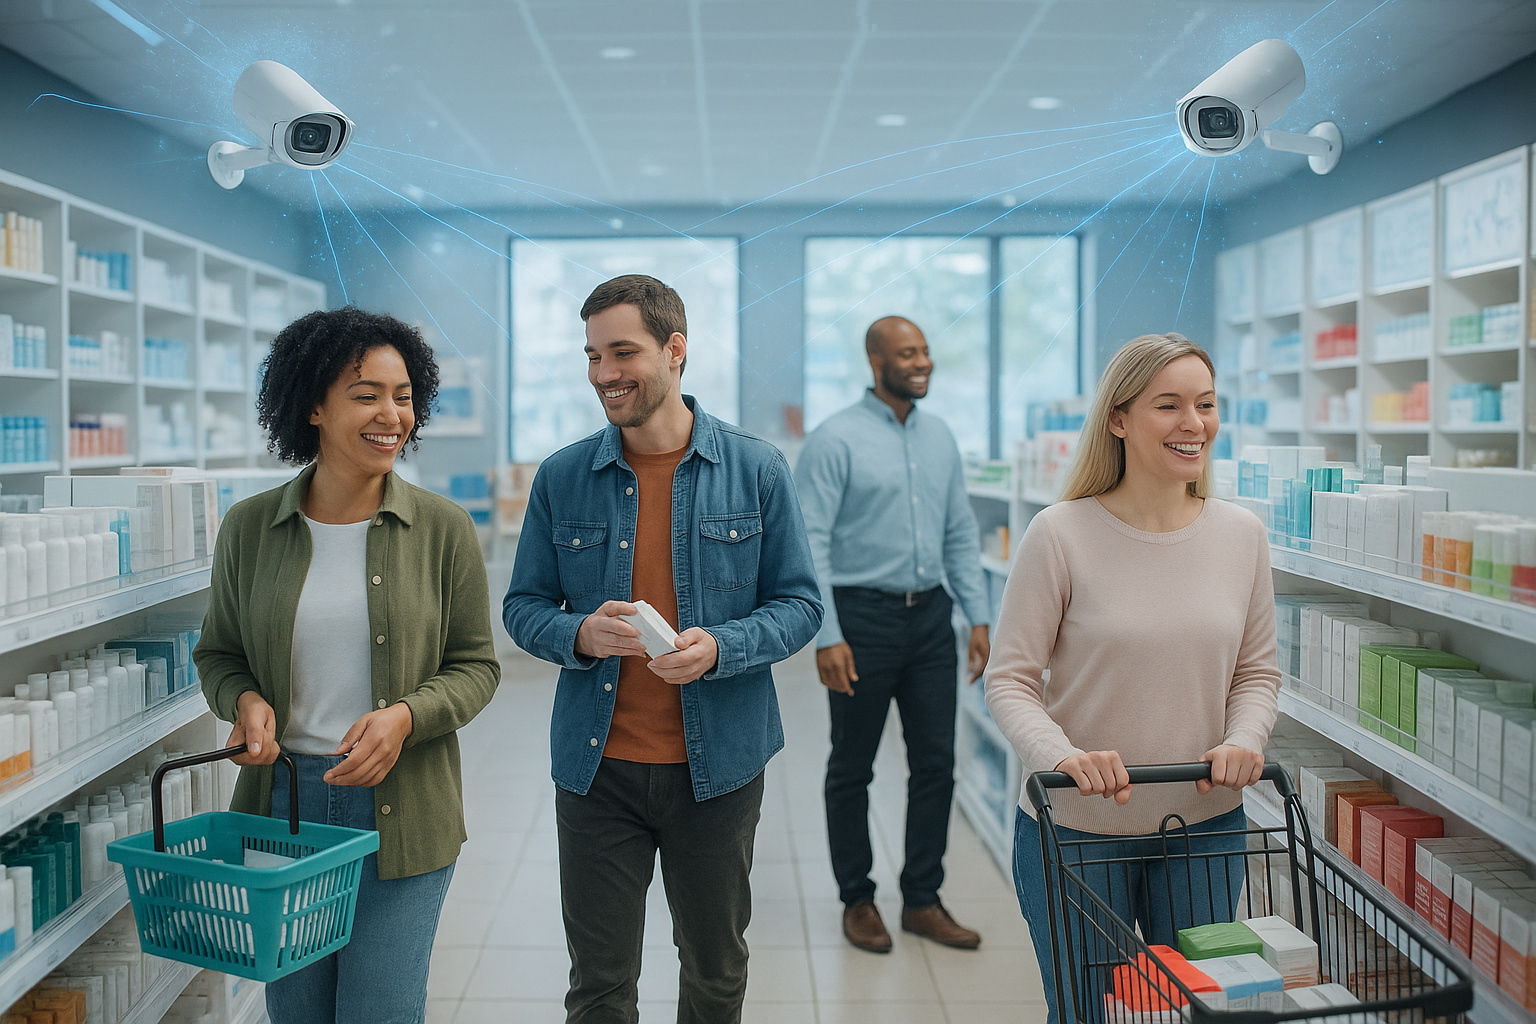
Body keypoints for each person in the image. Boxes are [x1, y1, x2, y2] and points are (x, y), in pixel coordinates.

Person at [502, 274, 822, 1024]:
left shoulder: (756, 469)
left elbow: (802, 605)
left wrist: (723, 646)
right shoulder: (562, 477)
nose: (604, 374)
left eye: (623, 352)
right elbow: (521, 609)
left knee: (714, 973)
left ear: (675, 350)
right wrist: (578, 632)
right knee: (600, 985)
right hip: (596, 770)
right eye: (592, 355)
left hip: (718, 771)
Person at [194, 306, 501, 1024]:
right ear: (313, 406)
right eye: (366, 395)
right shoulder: (250, 527)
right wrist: (241, 700)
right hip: (283, 808)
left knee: (380, 1011)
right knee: (296, 1010)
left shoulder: (442, 528)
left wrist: (405, 716)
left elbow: (475, 667)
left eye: (402, 396)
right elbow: (219, 653)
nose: (391, 415)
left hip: (405, 811)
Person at [984, 332, 1281, 1024]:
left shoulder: (1242, 536)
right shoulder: (1059, 534)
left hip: (1205, 827)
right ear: (1118, 419)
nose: (1193, 424)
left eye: (1206, 405)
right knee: (1091, 1014)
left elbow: (1256, 672)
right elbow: (1011, 680)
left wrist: (1245, 736)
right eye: (1168, 405)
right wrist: (1062, 756)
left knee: (1197, 1012)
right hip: (1080, 829)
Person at [793, 315, 992, 954]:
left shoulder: (940, 439)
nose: (922, 362)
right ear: (875, 361)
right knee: (852, 766)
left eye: (926, 351)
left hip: (932, 619)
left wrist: (978, 614)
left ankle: (922, 900)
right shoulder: (834, 441)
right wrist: (826, 633)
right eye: (908, 353)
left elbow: (959, 532)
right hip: (861, 619)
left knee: (937, 762)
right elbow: (809, 544)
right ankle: (858, 899)